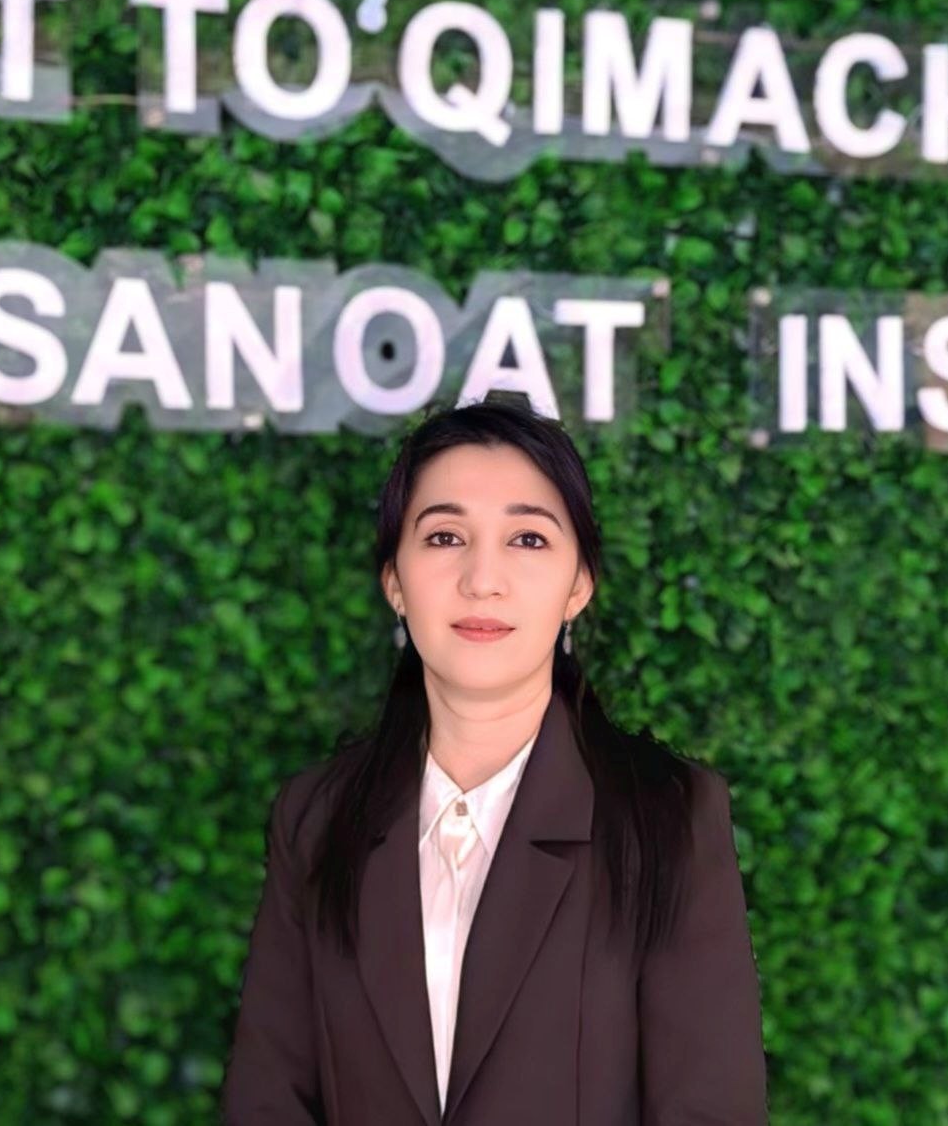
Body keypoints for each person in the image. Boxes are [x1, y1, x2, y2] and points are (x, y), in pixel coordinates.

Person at [221, 397, 767, 1125]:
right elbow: (267, 1102)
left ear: (579, 585)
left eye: (528, 539)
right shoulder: (316, 819)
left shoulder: (667, 816)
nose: (483, 578)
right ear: (394, 581)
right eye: (445, 536)